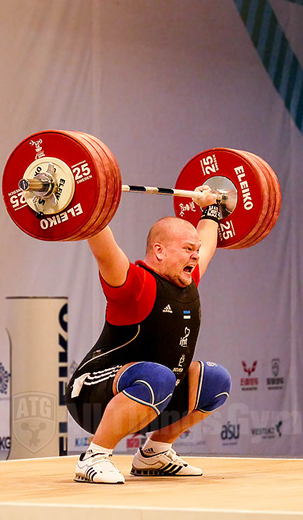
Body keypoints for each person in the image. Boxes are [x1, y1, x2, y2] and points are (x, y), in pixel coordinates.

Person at [66, 185, 232, 484]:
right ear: (159, 250)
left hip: (152, 397)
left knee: (215, 380)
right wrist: (90, 206)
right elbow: (105, 251)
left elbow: (207, 242)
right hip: (92, 396)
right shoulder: (135, 284)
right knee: (159, 376)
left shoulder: (188, 279)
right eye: (187, 249)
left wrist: (212, 209)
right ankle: (94, 457)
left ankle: (154, 453)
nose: (195, 255)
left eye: (195, 250)